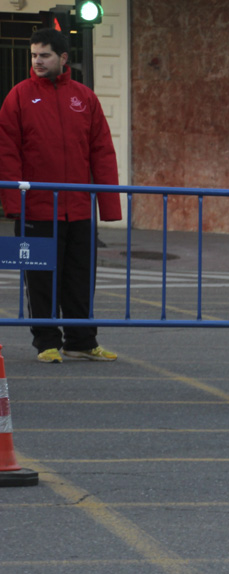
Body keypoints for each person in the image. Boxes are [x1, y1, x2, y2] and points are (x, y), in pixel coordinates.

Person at [0, 28, 121, 364]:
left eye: (45, 55)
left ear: (63, 58)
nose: (37, 62)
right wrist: (14, 204)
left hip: (79, 208)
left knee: (80, 278)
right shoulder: (19, 96)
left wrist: (108, 206)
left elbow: (102, 153)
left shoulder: (85, 97)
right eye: (34, 55)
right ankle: (47, 342)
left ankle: (81, 341)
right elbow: (6, 152)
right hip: (36, 209)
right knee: (40, 281)